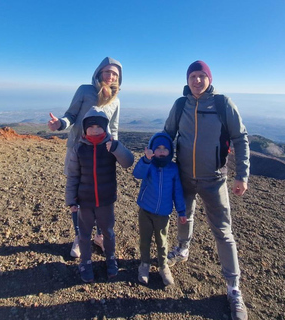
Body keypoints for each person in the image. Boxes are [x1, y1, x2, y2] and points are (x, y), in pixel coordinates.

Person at [164, 60, 250, 320]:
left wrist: (242, 175)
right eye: (193, 76)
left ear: (209, 79)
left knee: (223, 232)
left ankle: (233, 288)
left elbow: (241, 138)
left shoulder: (223, 104)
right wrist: (154, 156)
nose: (197, 80)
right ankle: (182, 249)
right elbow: (167, 134)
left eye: (202, 76)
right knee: (183, 216)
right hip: (184, 176)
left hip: (215, 179)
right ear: (187, 79)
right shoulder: (181, 105)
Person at [47, 57, 122, 258]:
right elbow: (70, 116)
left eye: (114, 73)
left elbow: (113, 128)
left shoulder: (116, 100)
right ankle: (80, 238)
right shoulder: (84, 90)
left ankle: (99, 236)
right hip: (78, 150)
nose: (110, 76)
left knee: (99, 195)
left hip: (101, 155)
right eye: (107, 71)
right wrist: (59, 124)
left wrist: (115, 149)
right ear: (99, 72)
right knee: (79, 196)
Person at [65, 107, 134, 282]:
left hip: (105, 201)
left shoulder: (111, 145)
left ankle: (111, 258)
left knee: (108, 232)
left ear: (106, 128)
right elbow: (73, 176)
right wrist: (71, 199)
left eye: (99, 127)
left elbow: (128, 162)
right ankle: (85, 262)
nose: (95, 130)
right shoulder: (79, 148)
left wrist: (116, 148)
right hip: (84, 201)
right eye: (91, 127)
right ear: (84, 128)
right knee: (84, 234)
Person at [132, 132, 187, 286]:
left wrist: (181, 211)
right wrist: (145, 160)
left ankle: (163, 266)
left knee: (162, 242)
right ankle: (144, 264)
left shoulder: (173, 168)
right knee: (145, 240)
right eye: (158, 148)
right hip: (145, 210)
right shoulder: (149, 165)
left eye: (165, 148)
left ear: (170, 151)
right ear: (152, 150)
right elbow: (137, 174)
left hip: (163, 213)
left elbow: (177, 191)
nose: (162, 151)